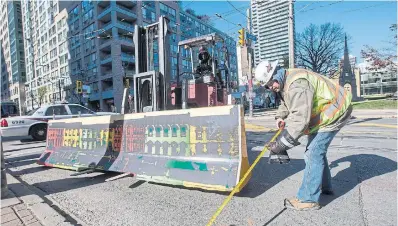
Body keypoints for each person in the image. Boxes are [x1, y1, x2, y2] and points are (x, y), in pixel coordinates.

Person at [254, 60, 353, 211]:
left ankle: (308, 199)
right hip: (327, 111)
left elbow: (300, 120)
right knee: (316, 151)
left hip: (335, 111)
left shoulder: (297, 85)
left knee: (313, 153)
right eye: (267, 86)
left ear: (275, 74)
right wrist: (280, 116)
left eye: (269, 83)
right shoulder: (285, 80)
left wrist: (281, 144)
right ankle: (324, 187)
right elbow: (287, 102)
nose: (270, 88)